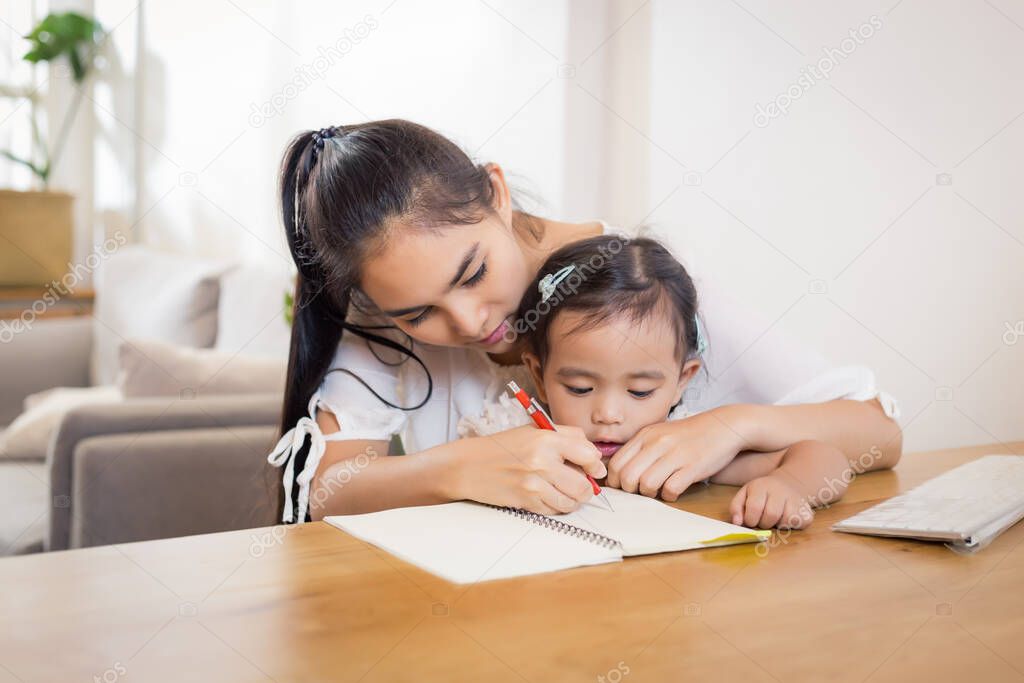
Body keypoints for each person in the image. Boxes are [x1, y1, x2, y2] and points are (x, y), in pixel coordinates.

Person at [267, 119, 902, 524]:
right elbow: (325, 490)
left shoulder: (633, 285)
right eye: (417, 312)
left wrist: (731, 425)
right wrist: (464, 466)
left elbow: (877, 433)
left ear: (496, 192)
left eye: (472, 272)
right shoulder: (384, 314)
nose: (468, 321)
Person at [498, 234, 868, 529]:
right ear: (538, 377)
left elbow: (826, 458)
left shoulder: (679, 451)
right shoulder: (516, 442)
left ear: (682, 380)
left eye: (640, 391)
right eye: (580, 387)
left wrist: (788, 486)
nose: (608, 415)